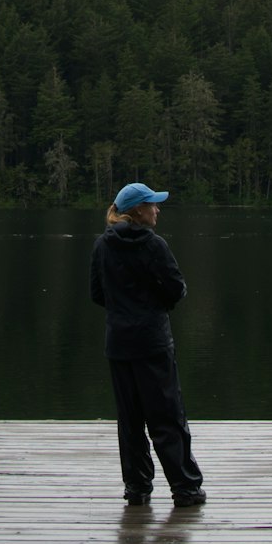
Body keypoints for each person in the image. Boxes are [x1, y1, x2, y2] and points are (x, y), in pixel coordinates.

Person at [90, 182, 206, 507]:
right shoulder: (154, 245)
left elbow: (97, 294)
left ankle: (137, 489)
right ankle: (185, 488)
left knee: (130, 421)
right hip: (153, 344)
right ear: (138, 211)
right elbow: (176, 289)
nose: (157, 209)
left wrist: (124, 308)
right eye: (152, 204)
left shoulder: (102, 245)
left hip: (119, 345)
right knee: (167, 416)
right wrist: (153, 306)